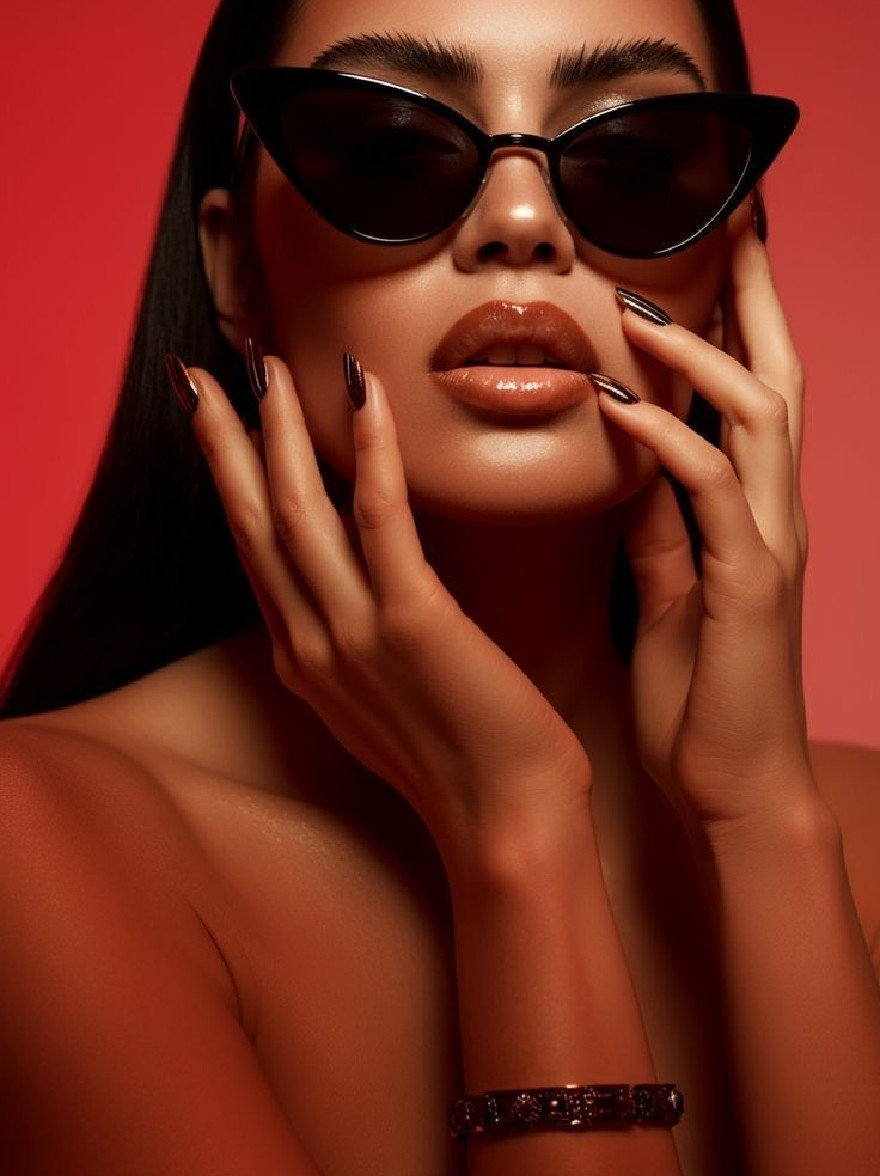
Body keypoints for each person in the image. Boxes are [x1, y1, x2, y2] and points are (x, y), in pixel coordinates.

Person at [1, 0, 879, 1172]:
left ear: (729, 261)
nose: (520, 224)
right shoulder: (41, 852)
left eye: (631, 158)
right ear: (233, 265)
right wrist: (517, 832)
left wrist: (764, 829)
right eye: (387, 151)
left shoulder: (854, 834)